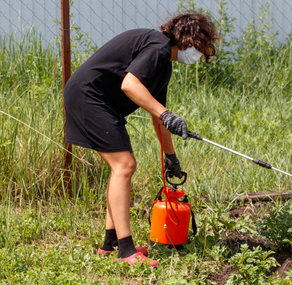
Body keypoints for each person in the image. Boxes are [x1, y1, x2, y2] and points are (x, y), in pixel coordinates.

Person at [63, 11, 219, 266]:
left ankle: (110, 244)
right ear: (189, 40)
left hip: (97, 101)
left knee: (120, 168)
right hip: (88, 97)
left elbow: (158, 117)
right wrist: (166, 113)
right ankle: (126, 251)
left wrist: (171, 157)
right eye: (200, 47)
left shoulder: (162, 64)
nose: (199, 55)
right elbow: (130, 85)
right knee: (124, 165)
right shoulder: (157, 47)